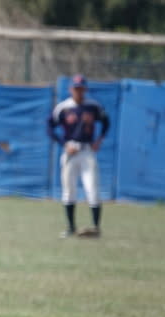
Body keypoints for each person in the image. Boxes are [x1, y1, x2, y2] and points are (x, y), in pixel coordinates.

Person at [47, 74, 110, 238]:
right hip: (71, 150)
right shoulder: (63, 107)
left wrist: (99, 140)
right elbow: (49, 127)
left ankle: (96, 228)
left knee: (92, 189)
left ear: (85, 89)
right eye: (76, 88)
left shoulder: (93, 106)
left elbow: (106, 122)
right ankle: (70, 228)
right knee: (69, 190)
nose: (78, 91)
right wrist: (64, 144)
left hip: (87, 150)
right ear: (70, 89)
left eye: (81, 88)